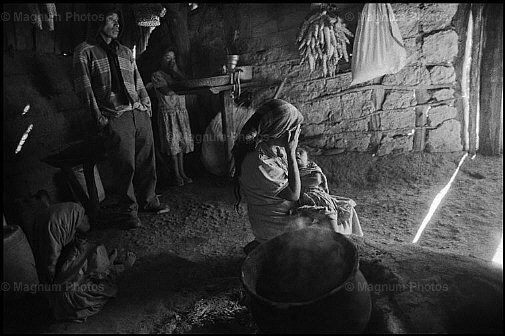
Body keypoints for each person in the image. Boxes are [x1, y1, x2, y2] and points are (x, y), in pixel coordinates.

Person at [73, 6, 169, 229]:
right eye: (111, 20)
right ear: (98, 21)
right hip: (115, 116)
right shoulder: (84, 51)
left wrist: (146, 105)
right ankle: (128, 211)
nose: (117, 25)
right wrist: (100, 120)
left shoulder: (125, 51)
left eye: (118, 21)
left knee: (146, 159)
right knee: (124, 165)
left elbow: (137, 80)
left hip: (137, 112)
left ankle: (149, 200)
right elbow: (84, 90)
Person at [232, 99, 363, 253]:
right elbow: (293, 194)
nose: (298, 132)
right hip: (276, 225)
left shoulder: (271, 148)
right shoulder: (260, 163)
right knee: (330, 219)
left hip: (283, 213)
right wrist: (291, 152)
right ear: (279, 132)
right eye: (295, 128)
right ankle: (281, 246)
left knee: (342, 205)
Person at [30, 190, 135, 322]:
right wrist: (124, 267)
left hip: (62, 290)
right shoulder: (81, 248)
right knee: (103, 281)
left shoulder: (57, 241)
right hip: (69, 298)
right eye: (82, 217)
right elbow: (100, 277)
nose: (85, 218)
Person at [295, 147, 363, 236]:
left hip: (316, 193)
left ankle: (337, 234)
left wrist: (296, 182)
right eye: (295, 153)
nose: (297, 154)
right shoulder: (291, 169)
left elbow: (316, 180)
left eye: (301, 152)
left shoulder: (312, 166)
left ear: (307, 158)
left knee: (328, 207)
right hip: (301, 196)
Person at [151, 49, 194, 186]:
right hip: (169, 114)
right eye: (167, 58)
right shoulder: (157, 75)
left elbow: (187, 84)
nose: (171, 61)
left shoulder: (176, 75)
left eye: (173, 58)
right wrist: (182, 84)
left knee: (180, 144)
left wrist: (176, 71)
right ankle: (176, 174)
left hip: (180, 112)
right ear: (160, 59)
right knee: (173, 145)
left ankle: (182, 172)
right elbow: (167, 91)